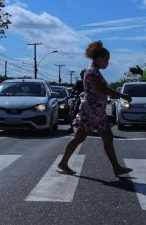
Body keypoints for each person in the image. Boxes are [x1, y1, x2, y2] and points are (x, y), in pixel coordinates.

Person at [57, 41, 133, 177]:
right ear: (98, 58)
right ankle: (63, 163)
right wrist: (122, 95)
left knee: (108, 138)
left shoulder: (93, 71)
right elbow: (103, 89)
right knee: (79, 138)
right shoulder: (92, 72)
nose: (107, 63)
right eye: (106, 60)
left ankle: (116, 167)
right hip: (91, 111)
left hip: (97, 111)